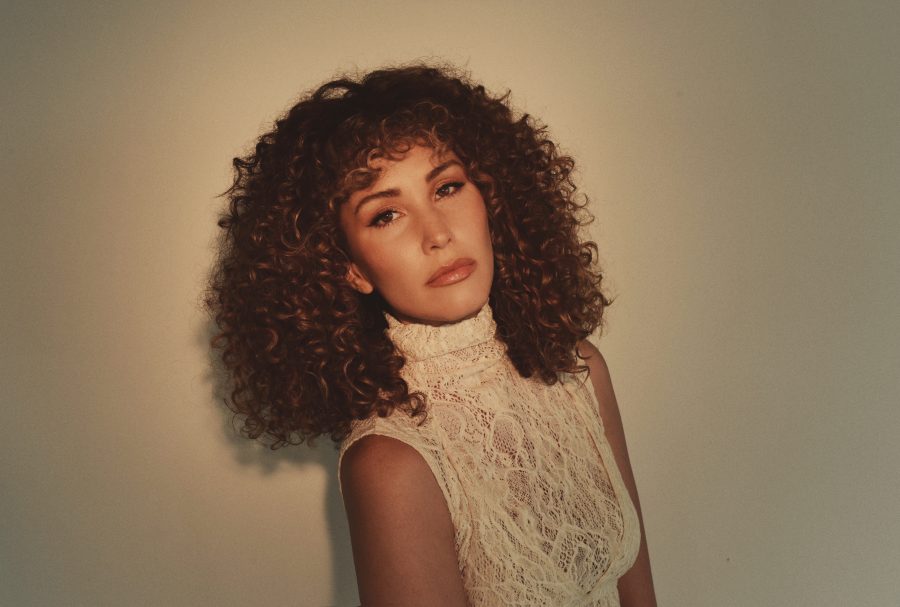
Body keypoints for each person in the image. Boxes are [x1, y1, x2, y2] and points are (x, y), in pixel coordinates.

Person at [205, 63, 657, 606]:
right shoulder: (390, 462)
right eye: (386, 215)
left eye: (447, 187)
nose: (438, 234)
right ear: (351, 268)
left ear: (490, 197)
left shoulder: (578, 370)